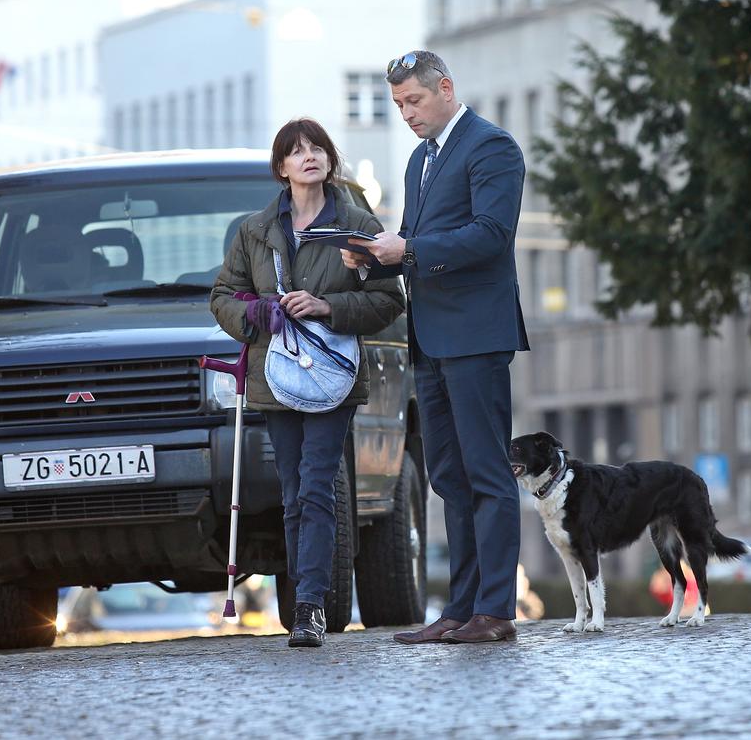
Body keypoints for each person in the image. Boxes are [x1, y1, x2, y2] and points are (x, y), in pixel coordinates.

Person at [342, 50, 529, 644]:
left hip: (476, 336)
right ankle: (460, 610)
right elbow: (416, 249)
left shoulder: (491, 146)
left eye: (414, 101)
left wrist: (408, 251)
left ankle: (496, 612)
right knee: (449, 477)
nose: (406, 114)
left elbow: (491, 236)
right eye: (398, 105)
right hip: (432, 337)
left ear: (445, 88)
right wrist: (373, 261)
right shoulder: (421, 160)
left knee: (487, 472)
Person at [211, 118, 404, 647]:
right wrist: (260, 314)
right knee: (294, 491)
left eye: (316, 147)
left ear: (329, 159)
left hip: (333, 375)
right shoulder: (255, 230)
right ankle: (305, 600)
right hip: (274, 375)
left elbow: (391, 302)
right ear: (282, 168)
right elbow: (223, 296)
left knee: (318, 486)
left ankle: (310, 607)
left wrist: (327, 306)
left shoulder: (359, 225)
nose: (308, 156)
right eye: (296, 152)